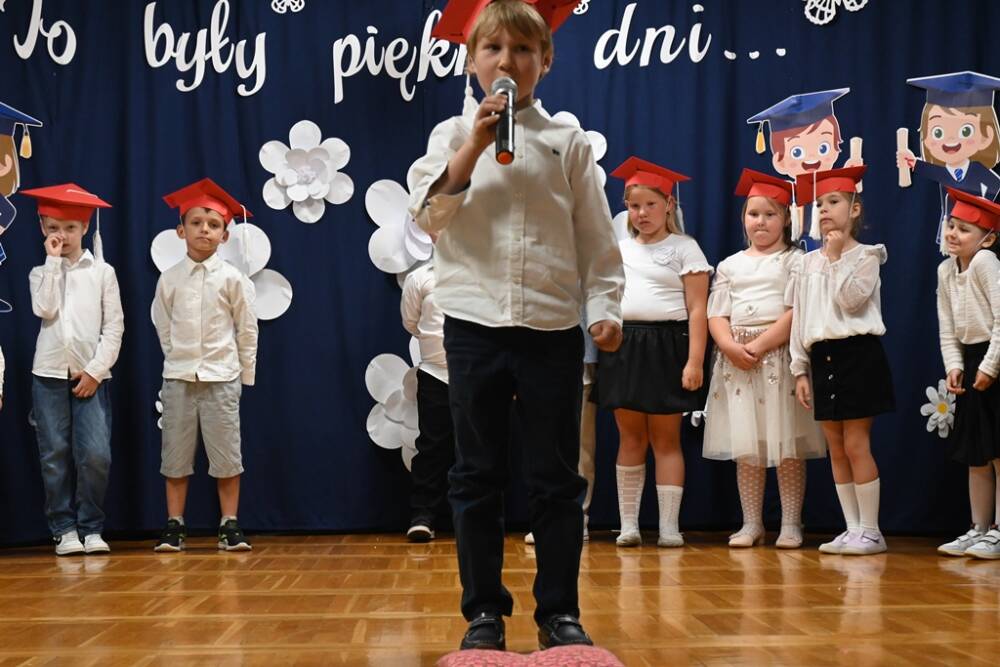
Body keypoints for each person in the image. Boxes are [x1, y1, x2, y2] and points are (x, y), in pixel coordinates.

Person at [408, 0, 623, 652]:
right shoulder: (451, 135)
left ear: (545, 60)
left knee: (557, 478)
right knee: (476, 474)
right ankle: (483, 612)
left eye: (524, 50)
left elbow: (596, 236)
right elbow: (429, 217)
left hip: (551, 326)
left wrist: (605, 307)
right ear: (472, 60)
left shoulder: (567, 141)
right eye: (494, 48)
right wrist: (475, 144)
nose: (508, 61)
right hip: (473, 325)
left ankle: (559, 612)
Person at [703, 169, 825, 549]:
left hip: (777, 360)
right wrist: (729, 346)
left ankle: (790, 523)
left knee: (787, 446)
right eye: (753, 214)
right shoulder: (730, 265)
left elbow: (796, 312)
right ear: (743, 218)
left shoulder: (795, 261)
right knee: (748, 447)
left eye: (770, 214)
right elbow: (716, 313)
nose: (761, 221)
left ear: (786, 218)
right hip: (737, 364)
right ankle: (751, 523)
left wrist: (759, 346)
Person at [598, 156, 712, 549]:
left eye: (650, 204)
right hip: (625, 346)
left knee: (666, 439)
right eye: (634, 206)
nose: (642, 213)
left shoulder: (685, 248)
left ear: (669, 205)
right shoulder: (619, 249)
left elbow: (698, 309)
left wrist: (694, 360)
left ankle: (668, 527)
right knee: (630, 438)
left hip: (668, 347)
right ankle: (628, 525)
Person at [788, 166, 895, 556]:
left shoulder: (867, 256)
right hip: (822, 357)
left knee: (855, 443)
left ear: (854, 209)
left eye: (833, 202)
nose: (824, 210)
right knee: (835, 446)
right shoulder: (806, 263)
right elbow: (801, 317)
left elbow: (851, 301)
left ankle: (871, 531)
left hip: (857, 354)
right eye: (819, 204)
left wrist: (835, 258)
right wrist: (799, 368)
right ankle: (852, 529)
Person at [152, 178, 258, 553]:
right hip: (179, 378)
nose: (204, 230)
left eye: (213, 225)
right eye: (196, 223)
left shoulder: (233, 280)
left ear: (224, 235)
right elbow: (163, 324)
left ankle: (229, 524)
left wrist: (245, 374)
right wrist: (176, 357)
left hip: (221, 378)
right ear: (181, 230)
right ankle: (174, 524)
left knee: (227, 454)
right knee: (175, 455)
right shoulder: (170, 279)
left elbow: (247, 328)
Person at [21, 183, 122, 555]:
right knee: (55, 455)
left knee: (95, 455)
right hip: (47, 375)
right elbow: (44, 309)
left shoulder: (102, 272)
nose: (61, 235)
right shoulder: (39, 272)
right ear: (42, 228)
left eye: (69, 228)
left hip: (90, 376)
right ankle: (63, 529)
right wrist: (52, 262)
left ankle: (91, 527)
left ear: (85, 227)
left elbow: (114, 327)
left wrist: (95, 370)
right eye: (53, 228)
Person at [934, 188, 1000, 559]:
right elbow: (946, 326)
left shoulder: (986, 262)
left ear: (987, 239)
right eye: (952, 225)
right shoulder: (946, 269)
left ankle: (998, 530)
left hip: (994, 360)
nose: (953, 233)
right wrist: (954, 366)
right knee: (977, 452)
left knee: (998, 452)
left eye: (964, 229)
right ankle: (978, 528)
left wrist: (990, 366)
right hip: (972, 362)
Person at [401, 258, 454, 542]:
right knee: (432, 446)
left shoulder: (482, 270)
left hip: (476, 374)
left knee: (480, 447)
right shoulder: (419, 278)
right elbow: (412, 322)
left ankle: (475, 518)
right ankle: (423, 515)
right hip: (435, 373)